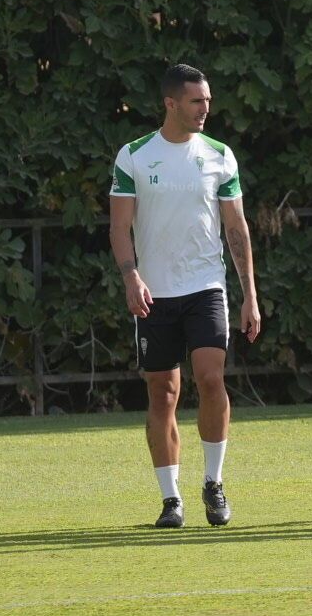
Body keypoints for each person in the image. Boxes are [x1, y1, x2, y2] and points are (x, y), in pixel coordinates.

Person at [109, 64, 261, 528]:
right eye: (197, 101)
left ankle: (214, 482)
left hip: (205, 287)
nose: (205, 109)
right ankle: (170, 498)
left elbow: (236, 229)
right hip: (154, 293)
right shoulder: (134, 156)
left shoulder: (219, 155)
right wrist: (132, 278)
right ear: (171, 103)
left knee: (211, 378)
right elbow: (119, 227)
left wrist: (250, 295)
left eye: (208, 100)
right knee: (163, 392)